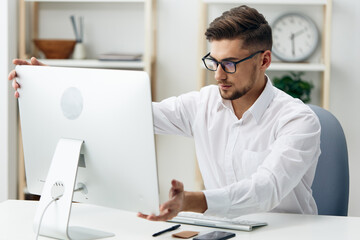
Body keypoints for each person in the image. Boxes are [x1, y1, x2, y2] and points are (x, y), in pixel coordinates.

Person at [9, 5, 320, 222]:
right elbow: (128, 114)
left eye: (230, 64)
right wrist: (52, 82)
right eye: (213, 62)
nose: (218, 75)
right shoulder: (204, 104)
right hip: (223, 231)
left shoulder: (298, 121)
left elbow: (265, 190)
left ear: (263, 60)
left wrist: (191, 202)